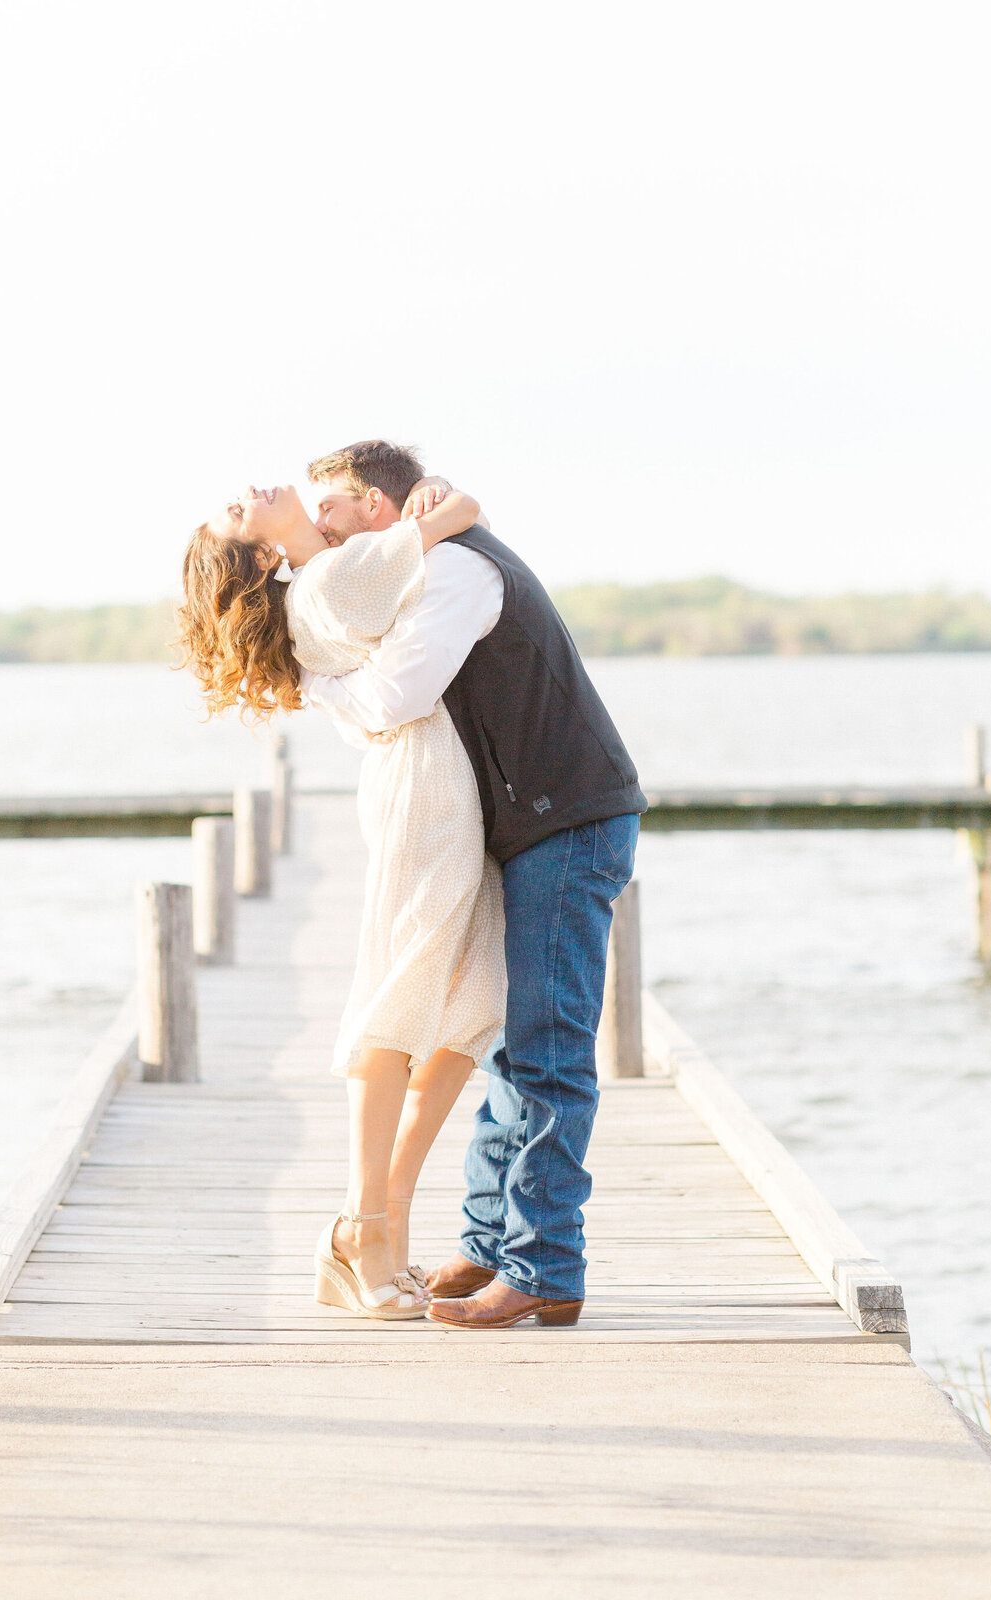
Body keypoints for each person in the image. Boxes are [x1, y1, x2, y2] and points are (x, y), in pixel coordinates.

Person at [303, 440, 648, 1329]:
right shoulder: (428, 564)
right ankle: (494, 1244)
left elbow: (397, 697)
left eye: (332, 504)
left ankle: (544, 1267)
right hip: (536, 822)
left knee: (547, 1049)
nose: (319, 522)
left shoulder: (455, 571)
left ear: (378, 507)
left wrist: (318, 680)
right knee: (509, 1045)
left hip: (567, 820)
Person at [176, 475, 506, 1321]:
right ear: (262, 555)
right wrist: (434, 497)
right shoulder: (331, 578)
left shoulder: (324, 584)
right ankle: (364, 1230)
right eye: (238, 512)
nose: (248, 490)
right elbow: (464, 514)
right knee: (402, 1002)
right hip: (424, 792)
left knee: (470, 1004)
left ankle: (383, 1219)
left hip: (444, 783)